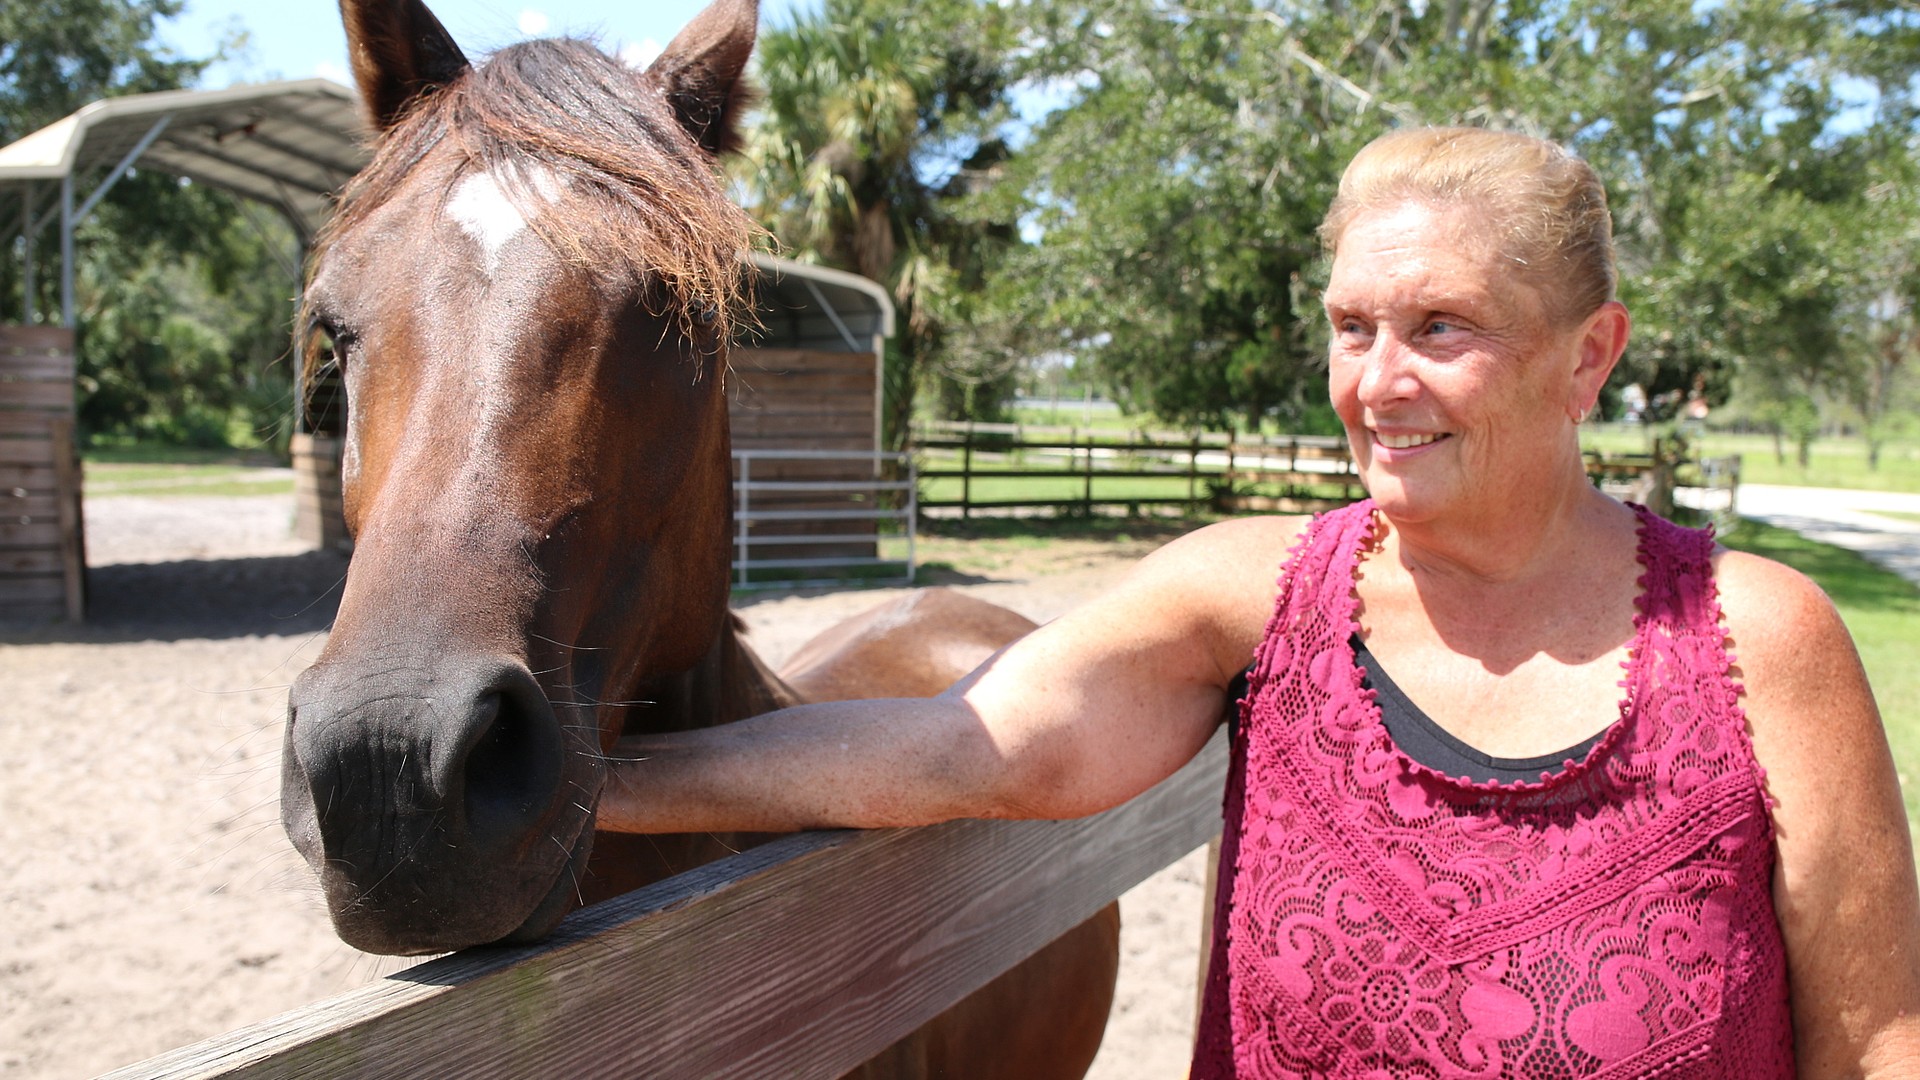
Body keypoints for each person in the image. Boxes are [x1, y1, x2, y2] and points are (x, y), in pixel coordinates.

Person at [599, 127, 1920, 1075]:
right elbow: (962, 743)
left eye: (1442, 327)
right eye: (1354, 327)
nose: (1378, 382)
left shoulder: (1757, 641)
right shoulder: (1258, 594)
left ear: (1592, 354)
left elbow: (1875, 1044)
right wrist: (595, 789)